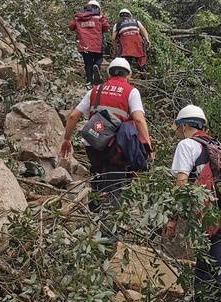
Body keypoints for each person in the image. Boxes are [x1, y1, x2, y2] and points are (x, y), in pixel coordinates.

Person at [169, 105, 221, 302]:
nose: (177, 132)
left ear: (184, 126)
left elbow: (181, 184)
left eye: (177, 127)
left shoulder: (187, 145)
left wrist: (173, 218)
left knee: (216, 267)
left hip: (212, 218)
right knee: (204, 266)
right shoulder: (217, 146)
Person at [59, 57, 153, 214]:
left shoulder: (95, 90)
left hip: (93, 142)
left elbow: (74, 116)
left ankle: (94, 214)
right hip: (115, 146)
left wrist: (67, 139)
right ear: (129, 75)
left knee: (98, 174)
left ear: (109, 74)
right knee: (114, 183)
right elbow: (138, 119)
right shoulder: (131, 91)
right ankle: (108, 224)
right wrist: (147, 145)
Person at [69, 0, 109, 84]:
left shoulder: (79, 17)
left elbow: (71, 27)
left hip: (83, 45)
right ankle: (96, 66)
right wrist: (103, 17)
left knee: (88, 63)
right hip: (97, 45)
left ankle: (89, 82)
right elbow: (106, 27)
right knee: (99, 58)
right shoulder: (100, 17)